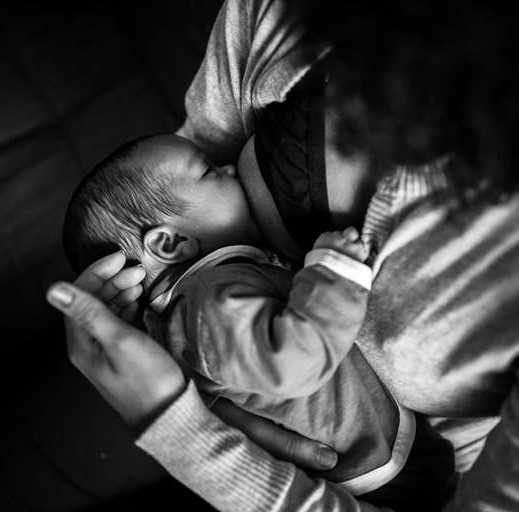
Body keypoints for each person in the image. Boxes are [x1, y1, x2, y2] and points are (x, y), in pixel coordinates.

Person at [48, 0, 519, 510]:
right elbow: (168, 174)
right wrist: (169, 350)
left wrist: (178, 422)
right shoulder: (286, 21)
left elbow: (186, 190)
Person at [61, 133, 455, 509]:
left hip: (384, 447)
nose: (230, 167)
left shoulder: (211, 292)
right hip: (378, 471)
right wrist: (334, 273)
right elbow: (291, 364)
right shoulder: (208, 304)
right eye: (209, 171)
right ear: (171, 242)